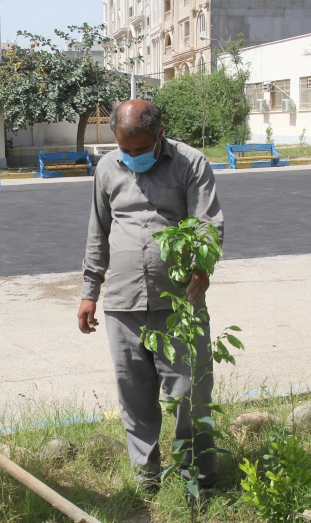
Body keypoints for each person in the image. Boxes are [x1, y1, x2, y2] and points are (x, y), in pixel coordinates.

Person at [78, 100, 224, 490]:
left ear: (160, 135)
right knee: (134, 394)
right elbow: (99, 230)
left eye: (140, 149)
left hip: (178, 303)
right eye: (125, 149)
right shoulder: (108, 167)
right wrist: (89, 291)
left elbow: (208, 224)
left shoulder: (190, 164)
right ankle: (147, 478)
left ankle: (198, 479)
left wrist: (201, 267)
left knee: (189, 393)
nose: (132, 157)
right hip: (123, 304)